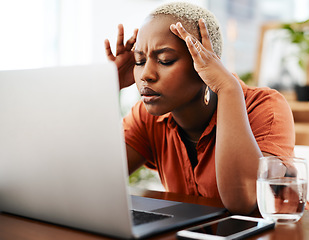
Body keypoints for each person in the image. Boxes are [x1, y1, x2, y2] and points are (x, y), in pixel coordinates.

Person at [104, 2, 296, 214]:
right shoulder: (147, 116)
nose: (146, 75)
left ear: (204, 64)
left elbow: (242, 202)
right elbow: (95, 178)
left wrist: (227, 88)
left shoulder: (265, 108)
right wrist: (106, 85)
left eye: (165, 60)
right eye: (140, 61)